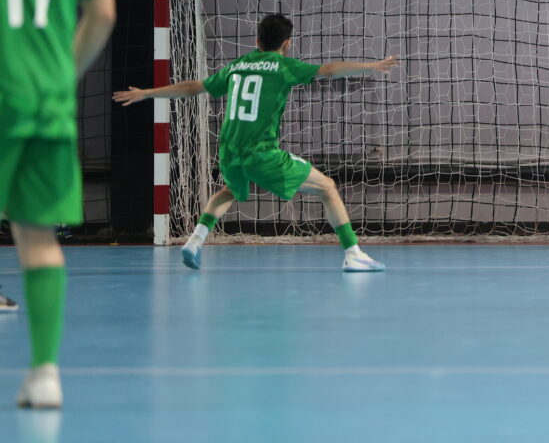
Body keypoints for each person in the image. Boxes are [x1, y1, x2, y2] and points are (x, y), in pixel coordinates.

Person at [0, 0, 119, 408]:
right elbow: (103, 13)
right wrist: (62, 72)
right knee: (37, 237)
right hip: (43, 100)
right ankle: (45, 372)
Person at [113, 14, 395, 272]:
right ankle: (353, 254)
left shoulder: (238, 66)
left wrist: (147, 93)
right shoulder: (284, 66)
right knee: (328, 187)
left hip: (228, 151)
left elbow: (193, 87)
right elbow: (330, 70)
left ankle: (194, 241)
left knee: (229, 191)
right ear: (287, 44)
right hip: (261, 155)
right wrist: (370, 66)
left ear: (257, 41)